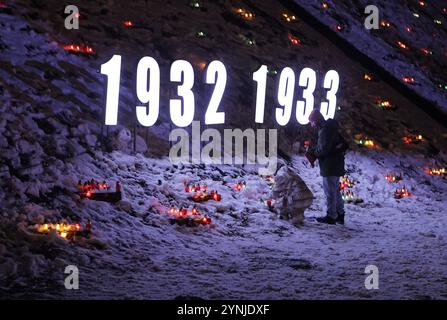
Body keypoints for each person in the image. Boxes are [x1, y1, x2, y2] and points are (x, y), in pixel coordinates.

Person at [305, 109, 347, 225]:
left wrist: (312, 151)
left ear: (316, 120)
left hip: (330, 165)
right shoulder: (330, 127)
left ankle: (331, 216)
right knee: (336, 191)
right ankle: (340, 213)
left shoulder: (324, 130)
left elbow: (323, 150)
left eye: (312, 122)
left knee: (330, 192)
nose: (312, 125)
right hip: (336, 163)